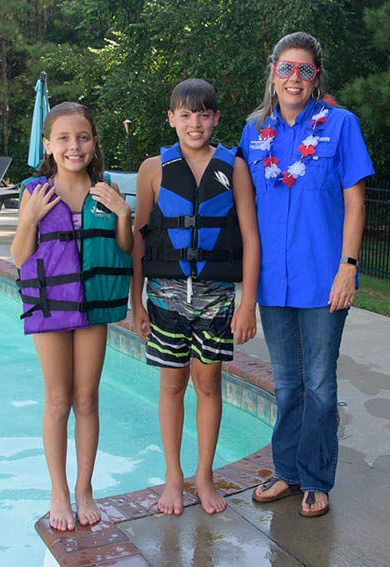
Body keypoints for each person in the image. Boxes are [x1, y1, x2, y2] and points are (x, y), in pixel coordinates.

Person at [240, 32, 374, 518]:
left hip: (323, 278)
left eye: (305, 70)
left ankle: (316, 478)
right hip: (274, 280)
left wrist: (348, 267)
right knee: (286, 382)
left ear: (317, 77)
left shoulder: (341, 126)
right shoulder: (253, 132)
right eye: (286, 68)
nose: (294, 78)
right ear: (272, 71)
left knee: (319, 382)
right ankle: (287, 471)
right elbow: (243, 204)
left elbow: (355, 202)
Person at [131, 78, 260, 515]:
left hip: (218, 298)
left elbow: (251, 237)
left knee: (208, 385)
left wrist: (247, 304)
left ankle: (204, 476)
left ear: (216, 117)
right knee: (171, 385)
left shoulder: (234, 167)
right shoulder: (153, 169)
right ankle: (173, 477)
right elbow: (140, 240)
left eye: (204, 113)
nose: (195, 123)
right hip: (165, 298)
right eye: (185, 114)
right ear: (171, 118)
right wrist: (136, 302)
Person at [10, 102, 133, 531]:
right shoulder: (35, 191)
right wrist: (29, 220)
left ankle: (85, 488)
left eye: (82, 137)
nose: (73, 146)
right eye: (62, 138)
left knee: (87, 398)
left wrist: (124, 213)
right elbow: (20, 256)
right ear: (48, 145)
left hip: (94, 305)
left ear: (94, 142)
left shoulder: (106, 189)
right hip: (51, 305)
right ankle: (58, 491)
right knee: (58, 399)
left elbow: (125, 246)